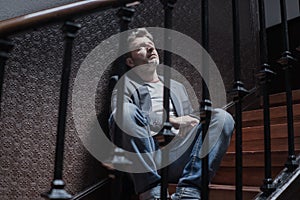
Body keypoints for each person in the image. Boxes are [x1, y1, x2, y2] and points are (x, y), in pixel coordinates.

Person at [109, 28, 234, 200]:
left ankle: (189, 191)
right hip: (148, 155)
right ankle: (152, 192)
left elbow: (189, 121)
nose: (151, 49)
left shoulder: (177, 87)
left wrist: (193, 122)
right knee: (124, 111)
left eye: (151, 46)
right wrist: (172, 120)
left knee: (222, 117)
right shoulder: (125, 85)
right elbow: (119, 117)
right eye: (141, 48)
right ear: (130, 61)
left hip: (179, 154)